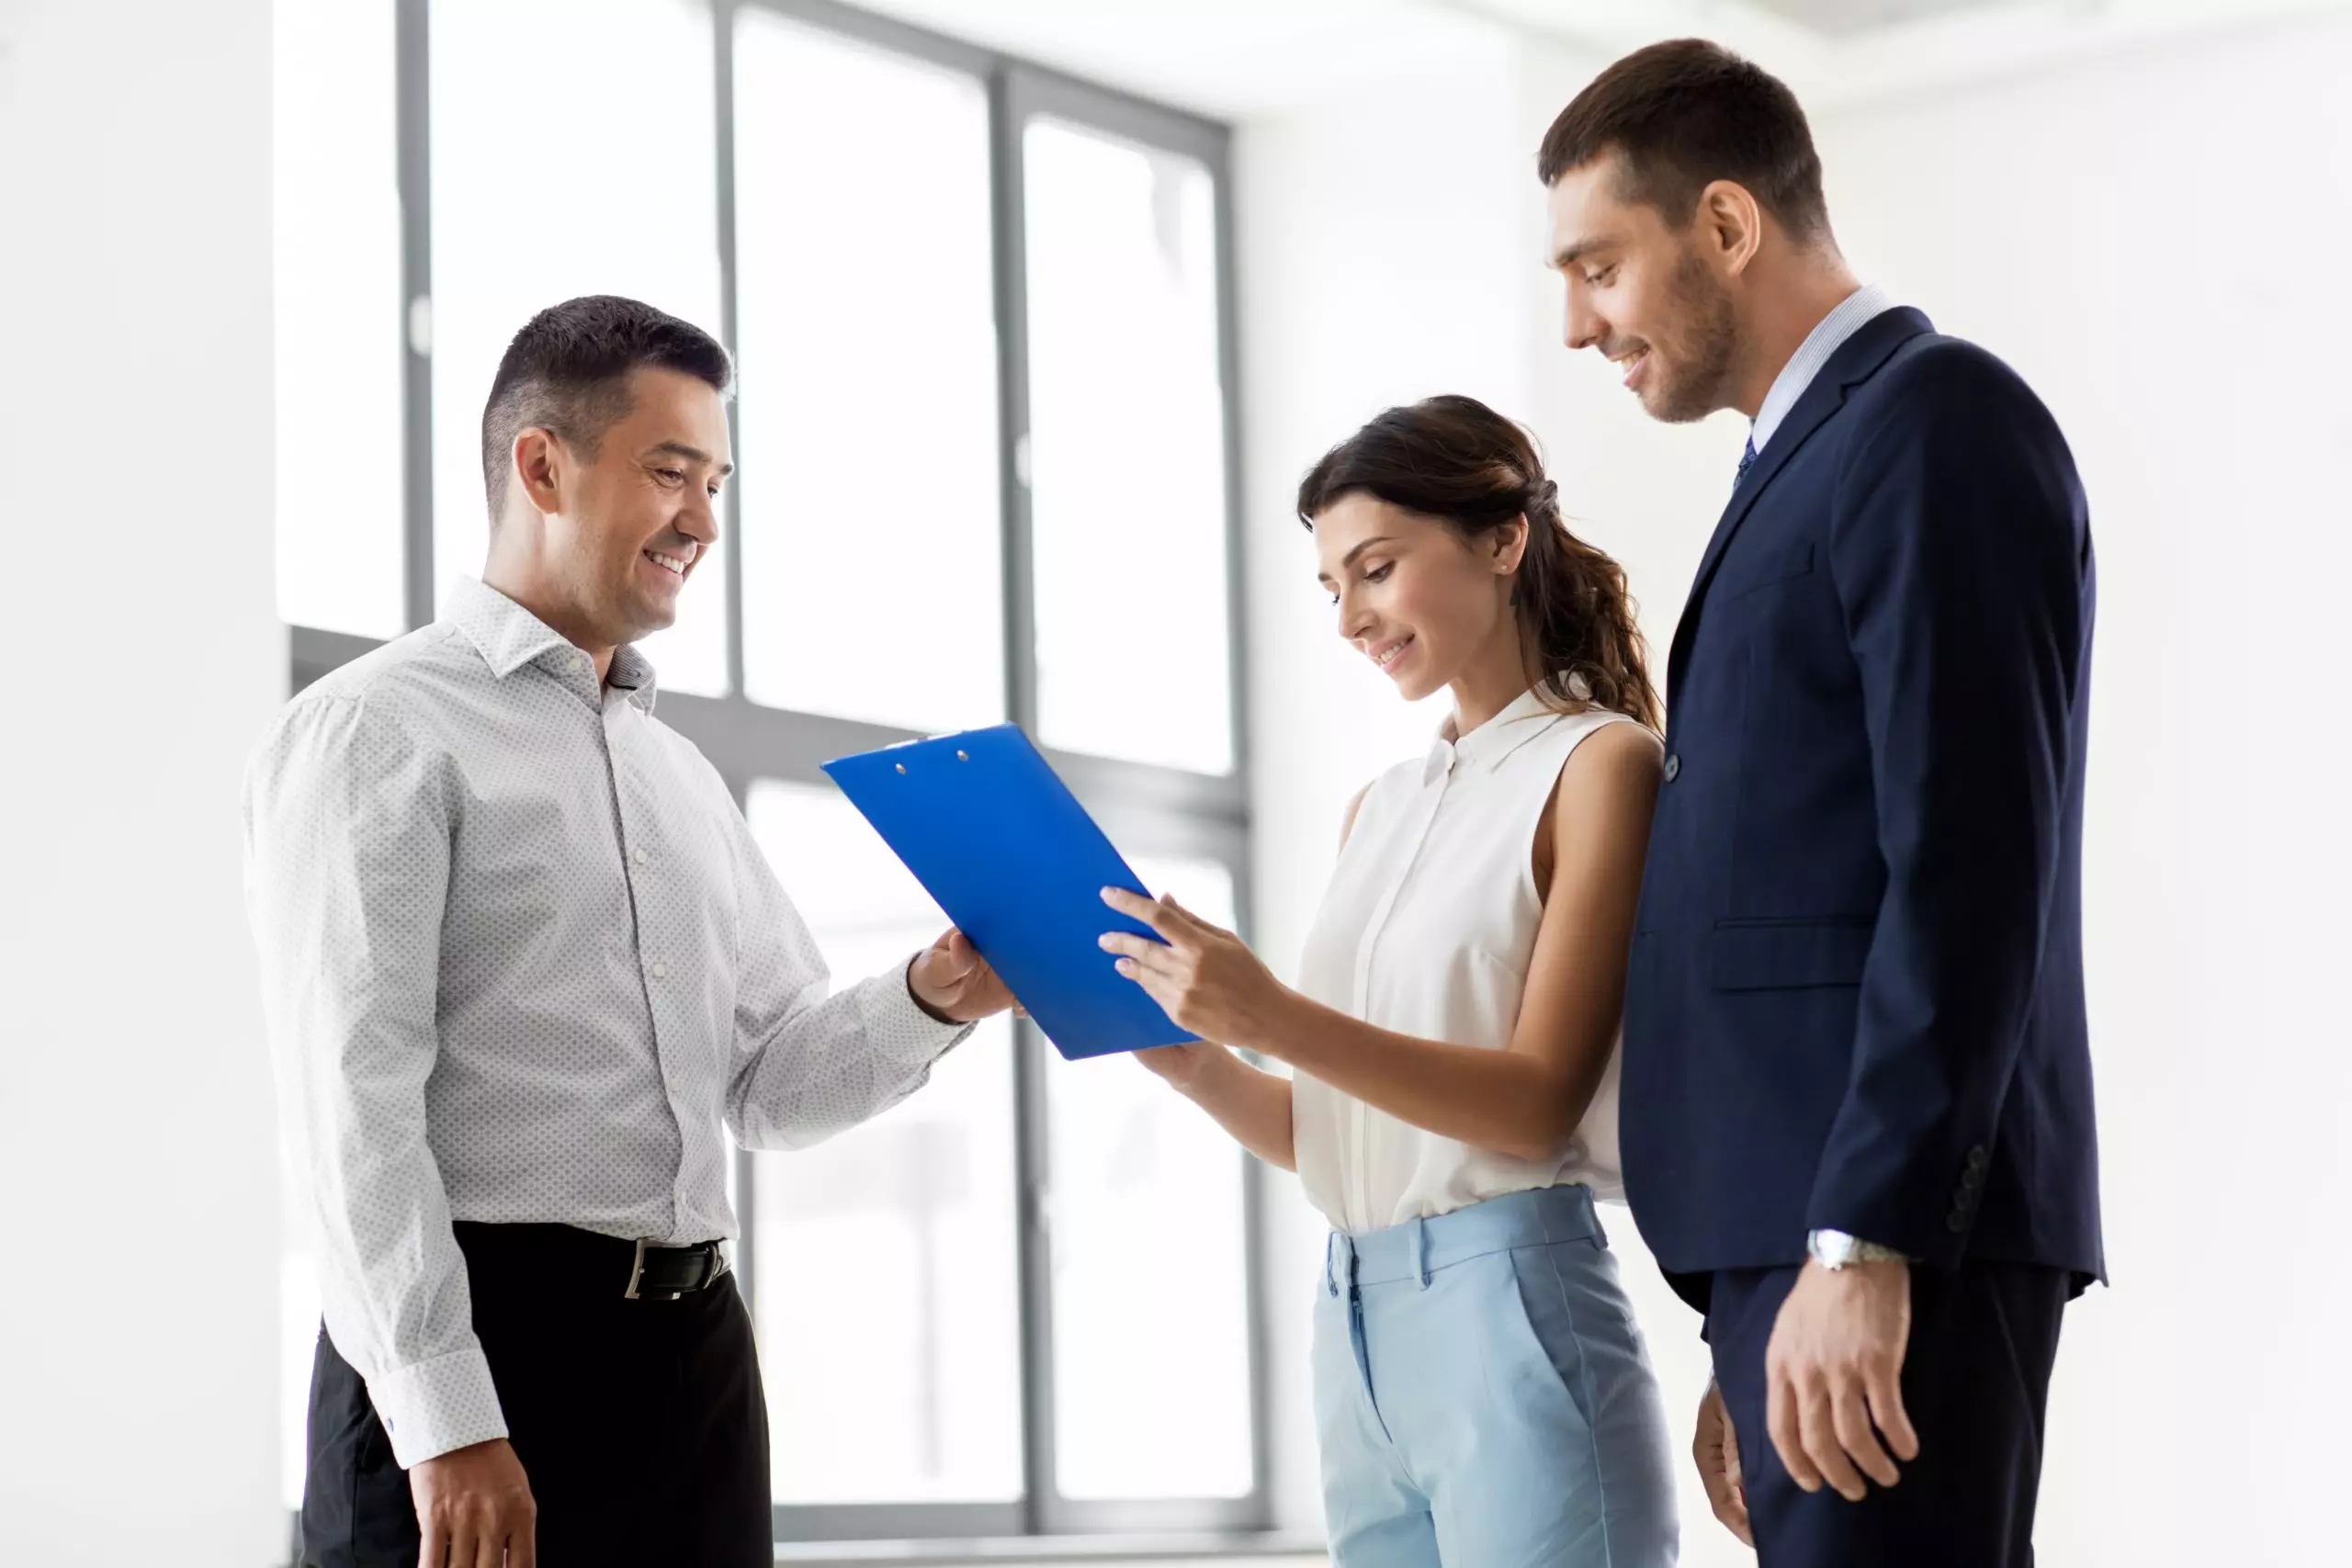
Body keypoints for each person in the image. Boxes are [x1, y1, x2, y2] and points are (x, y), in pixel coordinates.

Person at [243, 294, 1016, 1568]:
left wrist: (932, 993)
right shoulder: (375, 732)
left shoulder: (679, 778)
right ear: (541, 465)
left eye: (716, 482)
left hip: (693, 1364)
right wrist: (445, 1421)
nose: (703, 522)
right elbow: (352, 1107)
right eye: (671, 473)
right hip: (484, 1351)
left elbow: (769, 1088)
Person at [1535, 39, 2103, 1567]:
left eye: (1599, 267)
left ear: (1725, 225)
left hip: (1886, 1226)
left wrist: (1864, 1238)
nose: (1577, 323)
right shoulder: (1800, 458)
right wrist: (1753, 1296)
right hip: (1793, 1245)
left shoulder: (1936, 420)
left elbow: (1972, 862)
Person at [1106, 395, 1679, 1566]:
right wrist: (1182, 1043)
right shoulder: (1379, 808)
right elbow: (1327, 1131)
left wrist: (1274, 1014)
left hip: (1512, 1306)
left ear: (1501, 540)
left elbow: (1532, 1102)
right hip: (1354, 1318)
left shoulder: (1599, 763)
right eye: (1331, 588)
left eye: (1374, 569)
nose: (1351, 616)